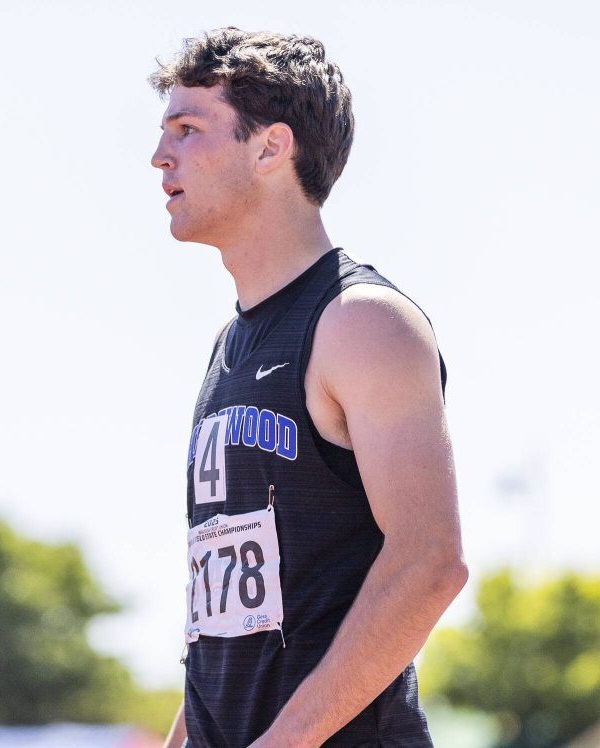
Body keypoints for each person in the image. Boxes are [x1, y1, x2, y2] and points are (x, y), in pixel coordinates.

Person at [148, 28, 468, 748]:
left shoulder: (363, 323)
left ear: (270, 148)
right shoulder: (229, 346)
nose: (159, 156)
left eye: (188, 129)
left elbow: (430, 562)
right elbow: (224, 622)